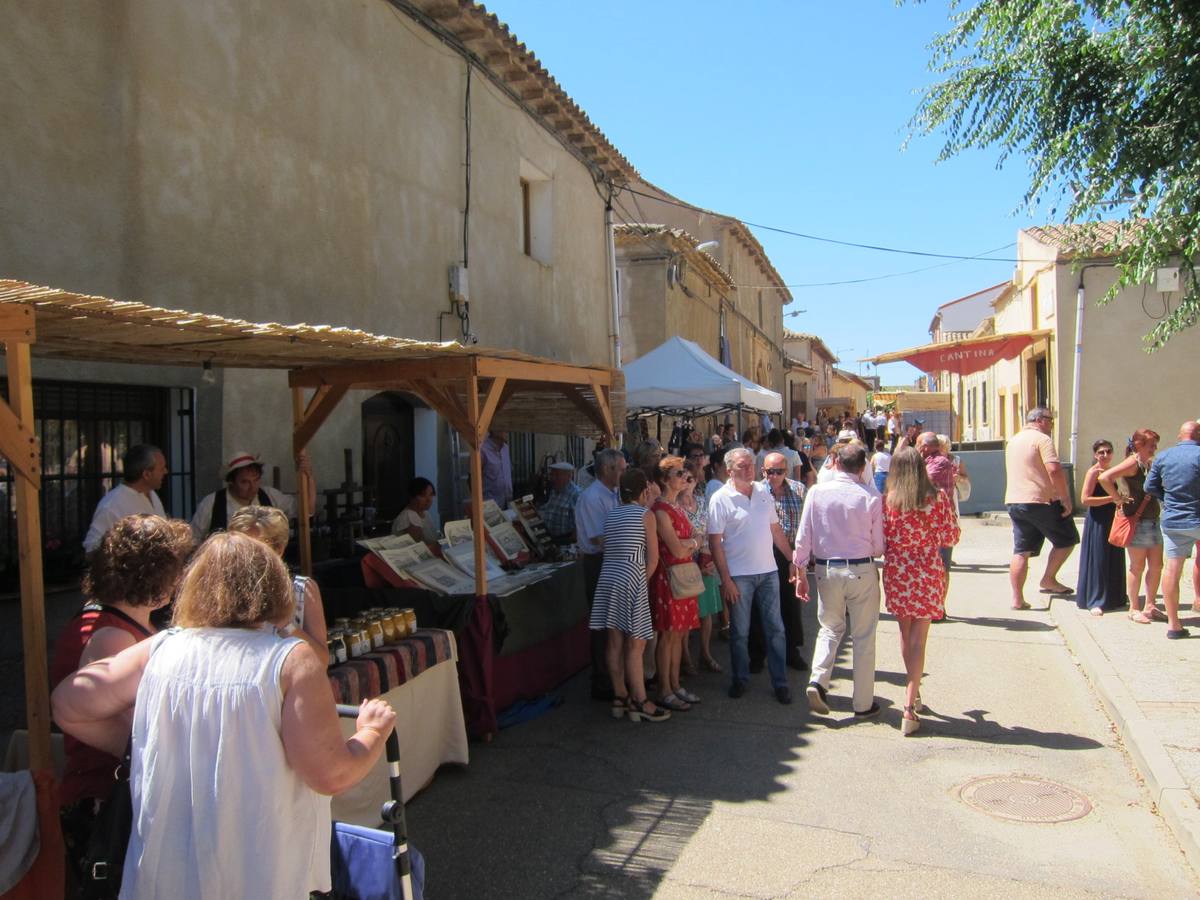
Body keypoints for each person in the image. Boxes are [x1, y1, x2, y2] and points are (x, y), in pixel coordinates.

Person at [51, 532, 397, 898]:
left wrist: (147, 744)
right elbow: (331, 773)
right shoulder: (290, 661)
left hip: (164, 870)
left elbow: (68, 705)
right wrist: (371, 733)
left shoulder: (161, 648)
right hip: (259, 871)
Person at [51, 514, 192, 884]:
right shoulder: (115, 637)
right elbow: (137, 733)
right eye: (175, 570)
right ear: (156, 576)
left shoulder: (124, 625)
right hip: (104, 800)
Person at [793, 443, 885, 718]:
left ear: (836, 464)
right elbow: (879, 545)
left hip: (826, 568)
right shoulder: (870, 496)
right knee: (863, 636)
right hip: (860, 568)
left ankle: (818, 680)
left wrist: (799, 572)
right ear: (862, 467)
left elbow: (803, 536)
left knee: (830, 628)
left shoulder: (817, 492)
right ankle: (863, 703)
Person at [707, 448, 797, 704]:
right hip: (739, 577)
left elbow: (775, 530)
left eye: (751, 464)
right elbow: (715, 543)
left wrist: (792, 560)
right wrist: (726, 580)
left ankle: (780, 683)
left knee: (776, 629)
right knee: (740, 632)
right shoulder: (720, 498)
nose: (749, 469)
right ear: (729, 470)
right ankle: (740, 679)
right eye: (742, 466)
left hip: (768, 572)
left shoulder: (762, 492)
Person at [881, 448, 959, 735]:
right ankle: (909, 705)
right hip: (926, 568)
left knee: (905, 634)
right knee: (919, 640)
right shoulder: (936, 498)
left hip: (898, 570)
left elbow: (882, 538)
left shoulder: (888, 501)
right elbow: (951, 536)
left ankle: (913, 691)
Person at [588, 469, 669, 723]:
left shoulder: (612, 514)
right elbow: (653, 559)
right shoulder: (646, 515)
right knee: (636, 643)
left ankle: (620, 696)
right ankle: (640, 700)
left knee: (614, 641)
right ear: (644, 490)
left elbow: (605, 544)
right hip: (632, 575)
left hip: (609, 577)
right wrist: (640, 585)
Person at [228, 505, 329, 664]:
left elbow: (321, 659)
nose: (247, 556)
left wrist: (282, 624)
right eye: (241, 547)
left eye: (257, 548)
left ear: (279, 549)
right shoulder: (220, 589)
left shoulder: (301, 589)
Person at [1004, 407, 1079, 610]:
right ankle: (1048, 579)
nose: (1052, 425)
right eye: (1050, 420)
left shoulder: (1014, 440)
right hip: (1041, 500)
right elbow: (1054, 469)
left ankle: (1017, 599)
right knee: (1067, 539)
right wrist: (1065, 498)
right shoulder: (1042, 440)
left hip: (1015, 501)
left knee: (1021, 550)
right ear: (1039, 420)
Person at [649, 456, 703, 711]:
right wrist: (691, 544)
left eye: (684, 473)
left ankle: (675, 685)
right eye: (679, 473)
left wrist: (689, 543)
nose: (684, 477)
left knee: (679, 633)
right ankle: (665, 689)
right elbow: (678, 548)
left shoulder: (676, 507)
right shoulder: (661, 510)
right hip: (670, 577)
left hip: (682, 577)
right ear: (664, 479)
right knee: (668, 635)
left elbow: (695, 537)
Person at [575, 448, 628, 699]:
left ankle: (616, 676)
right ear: (608, 470)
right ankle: (602, 680)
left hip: (614, 561)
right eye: (622, 468)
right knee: (602, 624)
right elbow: (599, 539)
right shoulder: (592, 497)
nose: (625, 473)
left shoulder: (614, 493)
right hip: (599, 563)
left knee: (615, 623)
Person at [1144, 421, 1200, 639]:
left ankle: (1174, 625)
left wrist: (1167, 500)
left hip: (1174, 520)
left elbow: (1149, 486)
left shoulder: (1164, 457)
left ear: (1180, 436)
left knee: (1172, 569)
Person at [191, 450, 315, 541]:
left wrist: (308, 476)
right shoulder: (211, 503)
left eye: (256, 480)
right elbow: (193, 540)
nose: (252, 487)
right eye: (244, 482)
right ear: (231, 482)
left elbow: (306, 510)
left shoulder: (270, 496)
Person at [761, 451, 808, 670]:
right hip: (764, 552)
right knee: (762, 604)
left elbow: (807, 525)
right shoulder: (757, 491)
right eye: (770, 472)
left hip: (791, 552)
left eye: (779, 471)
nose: (774, 476)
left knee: (791, 603)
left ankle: (792, 651)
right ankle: (758, 652)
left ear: (786, 471)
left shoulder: (799, 490)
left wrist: (800, 557)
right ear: (764, 471)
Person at [680, 445, 722, 673]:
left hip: (704, 562)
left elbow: (711, 532)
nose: (689, 483)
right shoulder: (675, 507)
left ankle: (705, 653)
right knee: (687, 616)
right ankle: (686, 658)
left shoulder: (703, 502)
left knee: (706, 614)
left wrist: (711, 559)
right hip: (685, 566)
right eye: (685, 479)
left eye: (692, 479)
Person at [82, 444, 168, 553]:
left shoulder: (152, 494)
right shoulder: (111, 506)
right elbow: (92, 549)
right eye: (161, 468)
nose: (166, 471)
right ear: (146, 474)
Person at [1077, 439, 1128, 616]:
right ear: (1095, 455)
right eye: (1101, 452)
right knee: (1098, 558)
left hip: (1111, 518)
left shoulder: (1110, 472)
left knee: (1113, 555)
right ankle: (1095, 600)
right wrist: (1112, 498)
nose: (1105, 455)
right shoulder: (1093, 472)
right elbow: (1085, 499)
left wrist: (1119, 500)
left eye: (1108, 451)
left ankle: (1115, 597)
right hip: (1098, 519)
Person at [391, 476, 440, 549]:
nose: (429, 499)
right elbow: (420, 549)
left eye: (431, 495)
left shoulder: (425, 513)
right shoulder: (409, 516)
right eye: (423, 495)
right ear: (412, 497)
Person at [538, 461, 582, 542]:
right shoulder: (554, 491)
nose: (553, 478)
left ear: (568, 476)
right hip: (551, 538)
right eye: (552, 474)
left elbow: (581, 522)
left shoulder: (576, 494)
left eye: (557, 475)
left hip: (566, 540)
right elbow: (547, 509)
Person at [480, 430, 513, 508]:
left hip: (507, 503)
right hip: (490, 507)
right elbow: (471, 479)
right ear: (493, 429)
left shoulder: (506, 449)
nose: (507, 430)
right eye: (503, 427)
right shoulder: (482, 450)